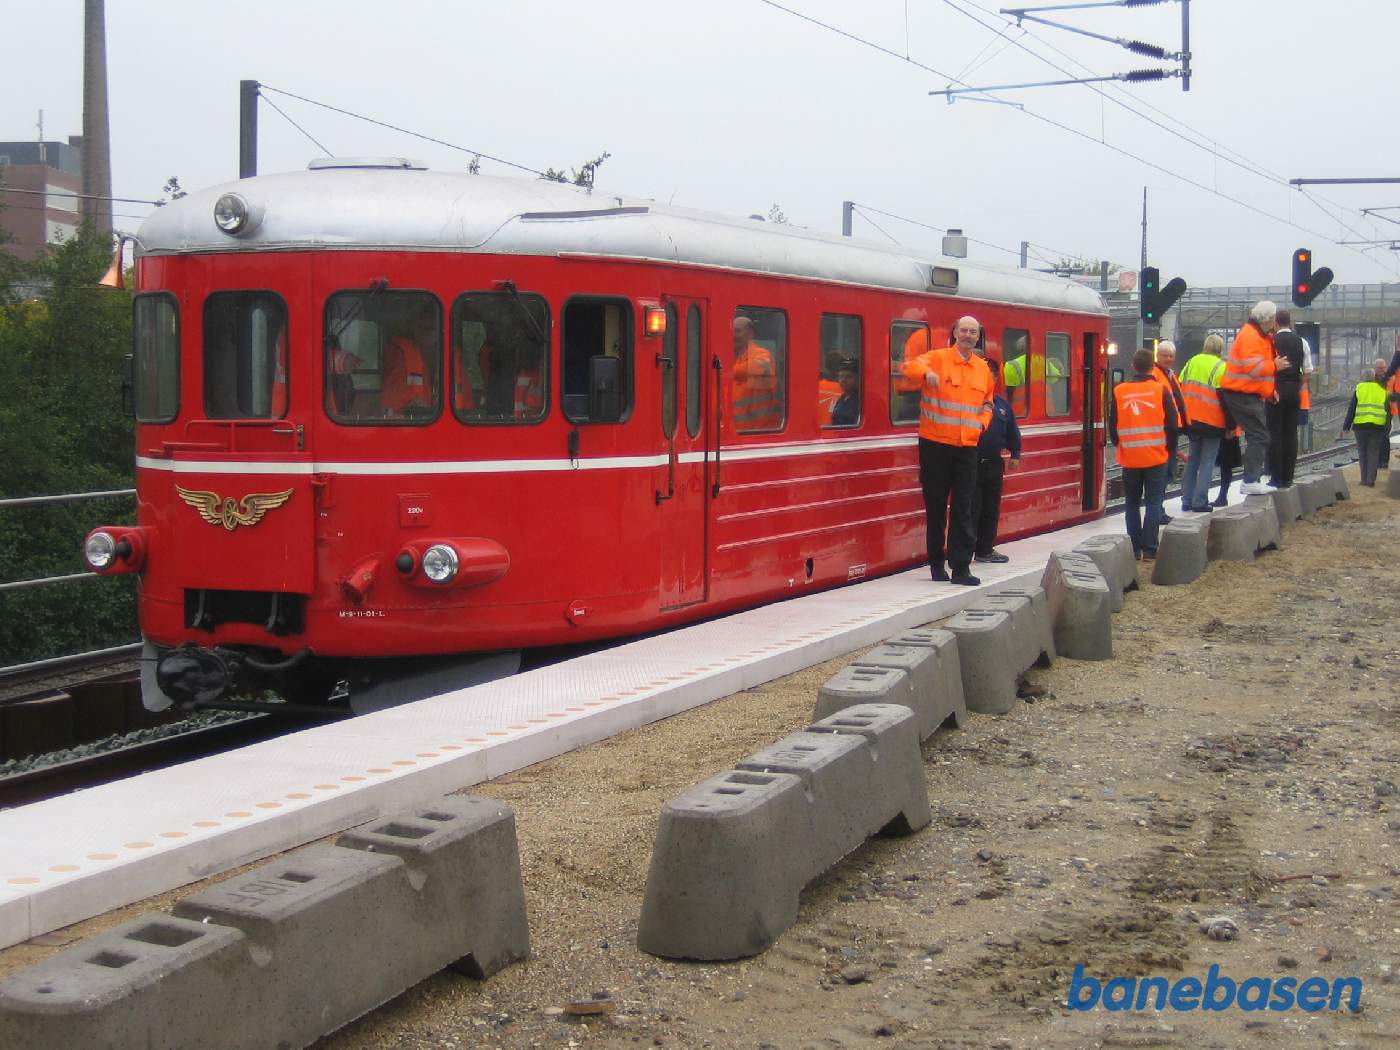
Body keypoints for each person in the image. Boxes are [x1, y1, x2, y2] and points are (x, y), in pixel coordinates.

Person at [900, 315, 994, 586]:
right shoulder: (937, 358)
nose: (967, 335)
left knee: (964, 507)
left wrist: (982, 423)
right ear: (954, 333)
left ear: (978, 337)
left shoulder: (982, 368)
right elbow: (910, 367)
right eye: (963, 330)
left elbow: (988, 401)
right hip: (935, 444)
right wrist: (926, 374)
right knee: (936, 507)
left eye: (973, 332)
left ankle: (961, 568)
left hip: (967, 446)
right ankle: (936, 564)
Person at [1110, 348, 1177, 560]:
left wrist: (1122, 445)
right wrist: (1169, 449)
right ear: (1152, 367)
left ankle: (1134, 549)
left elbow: (1113, 426)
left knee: (1131, 503)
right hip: (1156, 457)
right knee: (1153, 502)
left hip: (1130, 458)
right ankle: (1150, 549)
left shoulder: (1119, 391)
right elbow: (1172, 424)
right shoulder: (1160, 390)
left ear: (1133, 366)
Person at [1218, 301, 1278, 495]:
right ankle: (1250, 480)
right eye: (1273, 318)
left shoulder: (1257, 335)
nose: (1275, 322)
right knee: (1259, 435)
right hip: (1242, 394)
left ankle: (1252, 479)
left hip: (1245, 393)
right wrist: (1275, 365)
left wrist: (1269, 393)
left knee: (1258, 435)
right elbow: (1255, 369)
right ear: (1267, 319)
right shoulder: (1252, 337)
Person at [972, 358, 1021, 564]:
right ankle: (965, 551)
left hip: (994, 463)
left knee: (991, 509)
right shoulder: (968, 401)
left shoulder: (1002, 405)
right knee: (971, 509)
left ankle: (985, 550)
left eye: (988, 374)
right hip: (971, 462)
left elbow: (1012, 431)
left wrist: (1015, 453)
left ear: (994, 378)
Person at [1178, 333, 1228, 512]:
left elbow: (1180, 384)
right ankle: (1199, 502)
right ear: (1220, 348)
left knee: (1192, 460)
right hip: (1213, 421)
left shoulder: (1192, 362)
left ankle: (1186, 500)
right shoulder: (1221, 366)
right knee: (1207, 462)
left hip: (1191, 419)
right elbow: (1225, 398)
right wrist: (1231, 424)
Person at [1266, 308, 1305, 487]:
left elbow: (1267, 367)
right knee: (1291, 433)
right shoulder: (1301, 341)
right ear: (1290, 322)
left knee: (1275, 433)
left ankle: (1276, 476)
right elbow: (1307, 369)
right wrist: (1297, 384)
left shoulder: (1271, 341)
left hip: (1276, 389)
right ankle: (1288, 477)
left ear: (1275, 322)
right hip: (1294, 390)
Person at [382, 307, 437, 418]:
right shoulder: (400, 356)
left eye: (431, 329)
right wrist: (408, 406)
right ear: (414, 330)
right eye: (421, 328)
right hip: (408, 421)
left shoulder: (447, 357)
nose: (426, 333)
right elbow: (391, 402)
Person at [1341, 367, 1390, 487]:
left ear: (1363, 377)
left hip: (1360, 427)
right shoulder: (1381, 390)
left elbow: (1351, 409)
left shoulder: (1359, 388)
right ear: (1374, 377)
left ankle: (1364, 479)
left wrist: (1346, 427)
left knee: (1362, 453)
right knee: (1373, 452)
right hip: (1377, 426)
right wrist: (1387, 426)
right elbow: (1387, 410)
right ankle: (1371, 480)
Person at [730, 316, 780, 432]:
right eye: (731, 331)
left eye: (737, 331)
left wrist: (726, 372)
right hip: (739, 431)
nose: (733, 335)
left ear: (750, 334)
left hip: (760, 431)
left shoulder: (762, 354)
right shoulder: (735, 359)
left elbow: (760, 367)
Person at [1214, 425, 1242, 507]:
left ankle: (1222, 497)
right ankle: (1222, 497)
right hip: (1227, 430)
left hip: (1227, 431)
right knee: (1226, 466)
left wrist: (1231, 428)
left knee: (1225, 465)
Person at [830, 357, 860, 427]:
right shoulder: (842, 398)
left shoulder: (862, 400)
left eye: (848, 377)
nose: (843, 380)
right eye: (840, 376)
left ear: (858, 378)